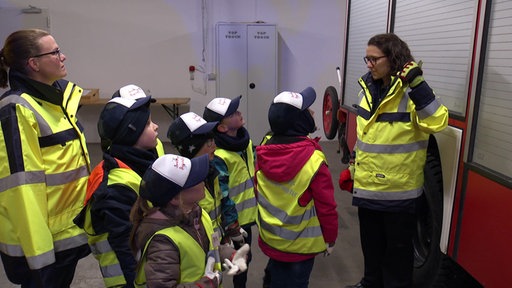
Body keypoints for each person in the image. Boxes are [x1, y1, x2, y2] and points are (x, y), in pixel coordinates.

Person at [339, 33, 449, 288]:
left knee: (398, 262)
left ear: (393, 58)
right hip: (368, 190)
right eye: (367, 58)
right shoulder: (365, 90)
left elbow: (437, 121)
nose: (368, 64)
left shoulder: (412, 94)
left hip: (398, 196)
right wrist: (354, 165)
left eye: (374, 59)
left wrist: (417, 84)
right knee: (371, 252)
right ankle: (369, 283)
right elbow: (367, 135)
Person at [0, 29, 91, 287]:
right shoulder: (17, 110)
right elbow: (21, 190)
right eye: (54, 52)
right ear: (34, 63)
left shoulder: (55, 101)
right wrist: (40, 257)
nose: (63, 56)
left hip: (66, 232)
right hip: (44, 244)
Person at [73, 84, 159, 287]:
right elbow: (126, 250)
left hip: (151, 270)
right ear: (131, 134)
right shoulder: (115, 189)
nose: (155, 126)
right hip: (129, 279)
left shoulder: (138, 162)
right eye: (147, 124)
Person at [255, 87, 339, 288]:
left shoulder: (264, 148)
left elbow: (258, 187)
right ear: (300, 121)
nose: (312, 112)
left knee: (274, 279)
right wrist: (330, 238)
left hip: (271, 238)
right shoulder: (314, 159)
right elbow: (326, 207)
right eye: (307, 110)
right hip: (300, 247)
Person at [130, 153, 250, 288]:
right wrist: (206, 284)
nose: (203, 180)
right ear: (176, 198)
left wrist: (231, 255)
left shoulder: (197, 214)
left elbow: (207, 249)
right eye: (195, 179)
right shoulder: (163, 242)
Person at [167, 111, 247, 247]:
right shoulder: (184, 185)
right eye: (208, 142)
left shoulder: (211, 170)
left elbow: (223, 201)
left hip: (216, 242)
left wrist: (230, 229)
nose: (214, 146)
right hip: (201, 249)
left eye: (213, 140)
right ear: (191, 148)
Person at [203, 96, 256, 288]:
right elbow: (222, 194)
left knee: (244, 261)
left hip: (247, 217)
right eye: (233, 113)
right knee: (221, 262)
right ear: (222, 128)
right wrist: (231, 224)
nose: (239, 113)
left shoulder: (246, 143)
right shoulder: (219, 155)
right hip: (231, 221)